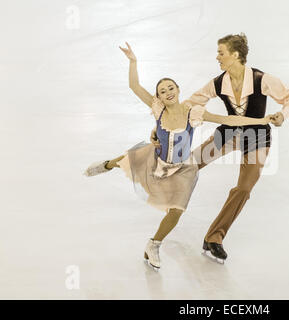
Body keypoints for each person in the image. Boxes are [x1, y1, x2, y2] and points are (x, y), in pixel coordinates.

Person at [84, 42, 275, 269]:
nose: (168, 92)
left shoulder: (193, 112)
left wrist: (261, 121)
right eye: (162, 91)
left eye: (171, 88)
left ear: (178, 89)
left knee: (177, 211)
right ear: (159, 97)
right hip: (157, 161)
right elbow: (134, 86)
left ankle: (153, 244)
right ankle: (105, 165)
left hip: (182, 170)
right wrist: (133, 62)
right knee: (129, 158)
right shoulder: (158, 109)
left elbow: (229, 120)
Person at [151, 33, 289, 262]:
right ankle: (167, 199)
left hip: (257, 138)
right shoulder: (219, 82)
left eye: (221, 53)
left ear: (235, 55)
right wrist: (162, 124)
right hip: (229, 133)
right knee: (189, 164)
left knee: (243, 189)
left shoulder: (262, 79)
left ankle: (214, 237)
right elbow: (190, 103)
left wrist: (282, 114)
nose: (217, 57)